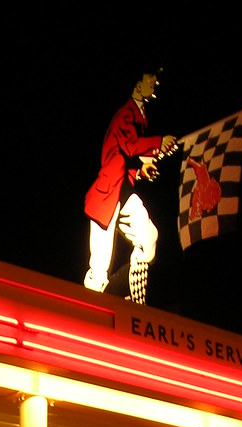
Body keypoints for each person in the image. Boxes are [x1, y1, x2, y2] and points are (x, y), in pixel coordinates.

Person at [83, 68, 176, 303]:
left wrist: (143, 168)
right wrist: (158, 143)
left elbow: (127, 153)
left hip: (122, 190)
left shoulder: (140, 115)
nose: (154, 82)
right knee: (99, 265)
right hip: (107, 191)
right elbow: (128, 145)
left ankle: (123, 292)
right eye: (150, 77)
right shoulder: (126, 113)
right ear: (137, 83)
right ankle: (93, 309)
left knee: (148, 237)